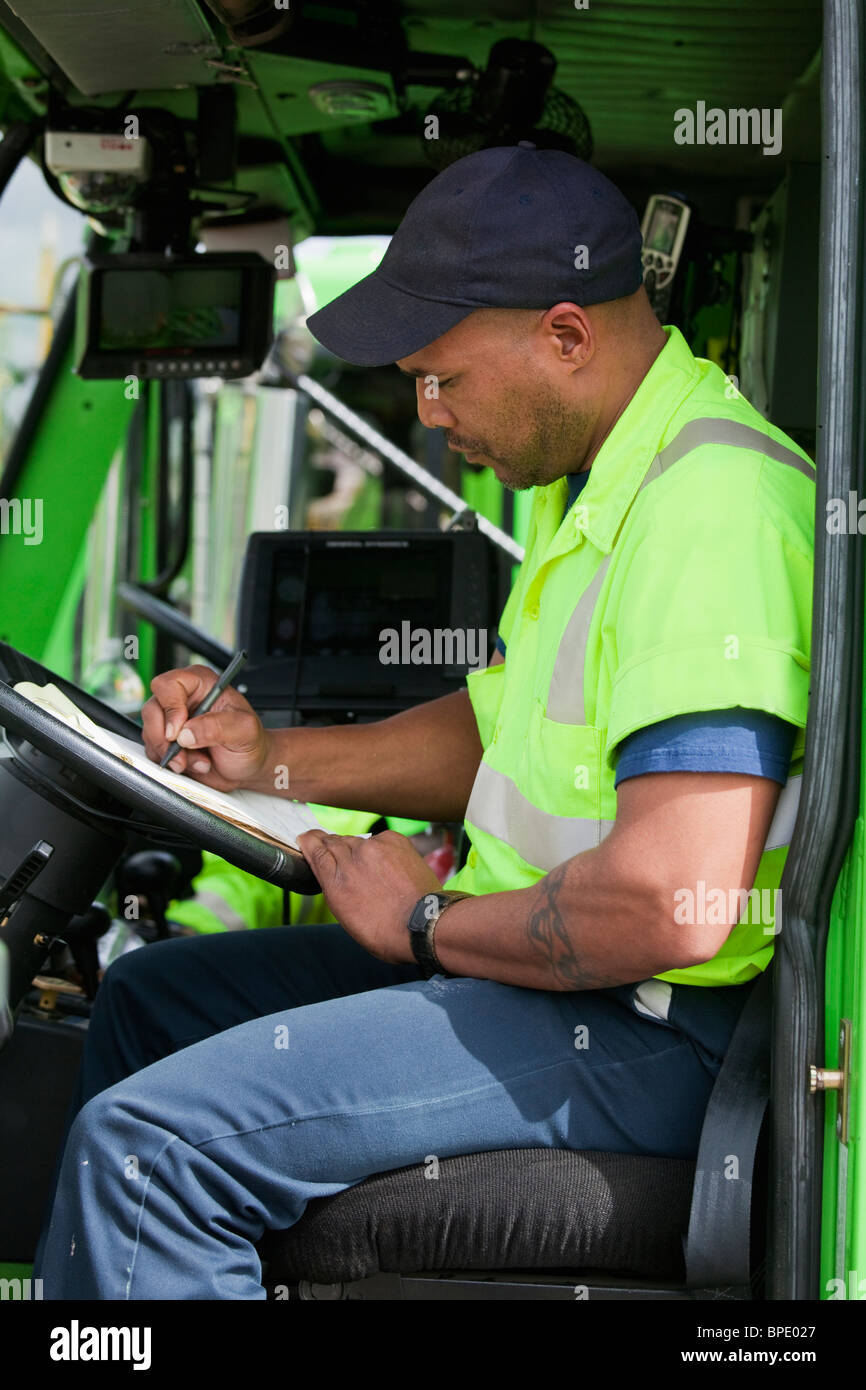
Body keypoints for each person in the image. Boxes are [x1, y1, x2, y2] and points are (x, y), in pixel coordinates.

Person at [37, 145, 814, 1299]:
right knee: (157, 999)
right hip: (549, 979)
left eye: (442, 378)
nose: (427, 412)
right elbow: (496, 735)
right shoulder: (603, 481)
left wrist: (425, 920)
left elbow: (669, 902)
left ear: (563, 335)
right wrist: (269, 757)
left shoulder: (712, 510)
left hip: (652, 1026)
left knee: (148, 1153)